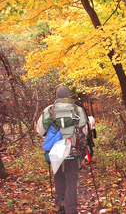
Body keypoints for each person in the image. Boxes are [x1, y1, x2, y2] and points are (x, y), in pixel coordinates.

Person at [37, 86, 88, 214]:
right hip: (73, 149)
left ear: (57, 96)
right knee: (71, 179)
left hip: (56, 151)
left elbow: (40, 131)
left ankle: (61, 205)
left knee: (59, 176)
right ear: (68, 95)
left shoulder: (49, 110)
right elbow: (85, 131)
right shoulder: (77, 109)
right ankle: (71, 209)